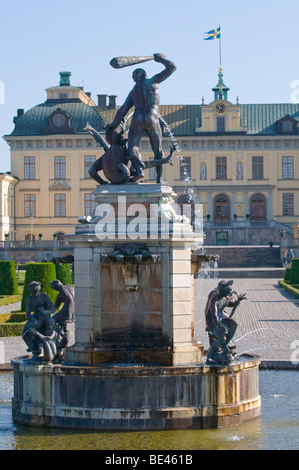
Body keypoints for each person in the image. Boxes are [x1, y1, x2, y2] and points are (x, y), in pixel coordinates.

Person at [110, 53, 176, 183]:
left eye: (133, 77)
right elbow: (172, 68)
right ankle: (159, 179)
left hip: (138, 118)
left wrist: (114, 124)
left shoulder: (134, 91)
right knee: (158, 149)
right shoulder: (153, 81)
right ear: (145, 75)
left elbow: (123, 109)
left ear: (135, 78)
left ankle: (139, 171)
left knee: (133, 148)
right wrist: (161, 59)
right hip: (153, 117)